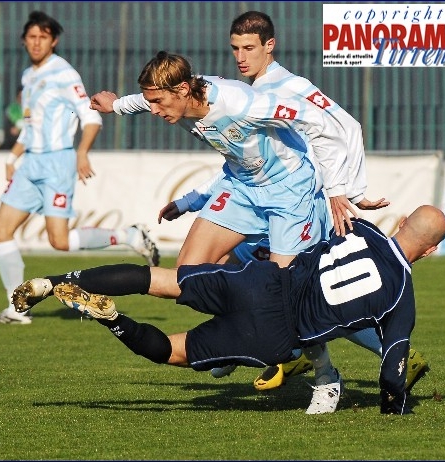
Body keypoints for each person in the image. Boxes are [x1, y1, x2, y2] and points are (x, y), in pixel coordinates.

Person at [154, 11, 431, 392]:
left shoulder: (287, 87)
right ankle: (255, 344)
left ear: (270, 46)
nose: (240, 56)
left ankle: (367, 359)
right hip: (262, 205)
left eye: (249, 48)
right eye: (235, 48)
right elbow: (241, 164)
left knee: (300, 295)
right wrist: (191, 200)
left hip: (299, 204)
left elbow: (346, 126)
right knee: (225, 272)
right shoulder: (242, 92)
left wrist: (348, 189)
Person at [90, 50, 356, 411]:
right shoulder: (178, 98)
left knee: (282, 295)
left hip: (289, 193)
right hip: (242, 190)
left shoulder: (241, 102)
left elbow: (321, 123)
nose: (153, 109)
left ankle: (326, 377)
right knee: (188, 277)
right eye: (150, 101)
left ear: (183, 89)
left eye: (158, 101)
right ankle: (237, 332)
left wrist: (337, 189)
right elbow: (143, 98)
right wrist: (116, 105)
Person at [13, 205, 445, 415]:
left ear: (402, 220)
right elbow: (392, 375)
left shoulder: (365, 229)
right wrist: (395, 407)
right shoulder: (400, 298)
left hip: (260, 283)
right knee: (172, 351)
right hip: (274, 335)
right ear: (429, 251)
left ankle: (56, 282)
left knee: (159, 280)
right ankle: (114, 321)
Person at [0, 11, 160, 326]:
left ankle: (128, 236)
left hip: (57, 162)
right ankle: (16, 309)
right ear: (24, 40)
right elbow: (30, 125)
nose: (36, 43)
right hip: (30, 162)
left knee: (59, 242)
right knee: (0, 230)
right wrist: (12, 157)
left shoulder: (64, 73)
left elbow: (91, 117)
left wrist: (82, 153)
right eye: (32, 37)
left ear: (53, 41)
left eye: (43, 37)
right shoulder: (28, 75)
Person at [0, 86, 24, 151]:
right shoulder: (12, 109)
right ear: (17, 98)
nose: (22, 100)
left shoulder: (33, 110)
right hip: (14, 140)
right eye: (20, 98)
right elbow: (10, 129)